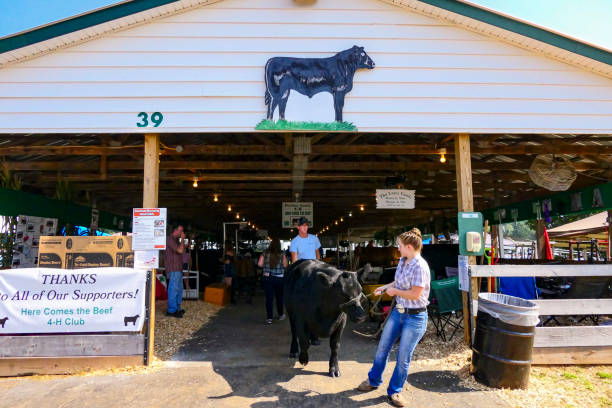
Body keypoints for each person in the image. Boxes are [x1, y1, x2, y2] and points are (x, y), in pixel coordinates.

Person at [357, 228, 430, 407]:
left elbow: (415, 294)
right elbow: (399, 282)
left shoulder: (420, 266)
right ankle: (373, 380)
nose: (398, 249)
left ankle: (395, 391)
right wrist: (384, 287)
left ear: (410, 247)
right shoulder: (403, 261)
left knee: (403, 356)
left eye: (400, 246)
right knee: (383, 348)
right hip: (399, 312)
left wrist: (394, 292)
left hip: (415, 317)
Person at [289, 216, 322, 345]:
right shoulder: (295, 242)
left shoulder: (314, 239)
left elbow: (318, 255)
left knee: (317, 305)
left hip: (315, 271)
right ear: (298, 227)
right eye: (302, 225)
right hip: (303, 272)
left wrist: (318, 268)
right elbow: (295, 260)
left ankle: (314, 335)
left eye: (307, 225)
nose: (305, 227)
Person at [258, 238, 288, 324]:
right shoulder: (282, 253)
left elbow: (259, 264)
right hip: (279, 278)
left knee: (269, 298)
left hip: (268, 278)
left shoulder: (265, 252)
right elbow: (285, 265)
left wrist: (266, 267)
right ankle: (281, 315)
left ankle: (269, 318)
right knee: (279, 297)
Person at [164, 224, 186, 318]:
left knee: (179, 289)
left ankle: (177, 308)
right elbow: (180, 251)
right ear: (175, 230)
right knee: (173, 289)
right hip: (173, 268)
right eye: (181, 231)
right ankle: (171, 310)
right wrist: (182, 240)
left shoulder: (175, 240)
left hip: (178, 268)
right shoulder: (169, 239)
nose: (182, 233)